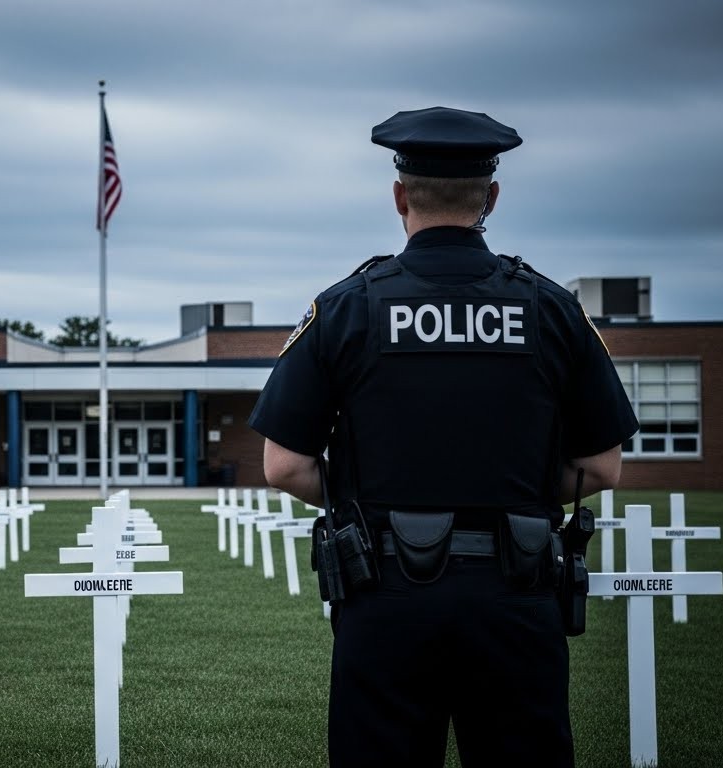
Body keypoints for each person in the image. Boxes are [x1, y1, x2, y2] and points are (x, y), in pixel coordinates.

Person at [248, 106, 640, 768]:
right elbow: (599, 467)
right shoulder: (550, 308)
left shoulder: (346, 306)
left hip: (385, 596)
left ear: (399, 196)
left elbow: (283, 466)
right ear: (490, 197)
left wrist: (371, 499)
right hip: (516, 595)